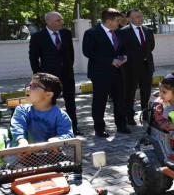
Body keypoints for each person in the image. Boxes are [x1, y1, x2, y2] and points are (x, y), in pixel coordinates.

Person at [28, 12, 81, 136]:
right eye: (58, 20)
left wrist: (68, 67)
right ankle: (51, 129)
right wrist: (38, 76)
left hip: (67, 74)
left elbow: (70, 54)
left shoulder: (66, 33)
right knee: (50, 102)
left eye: (61, 20)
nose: (61, 22)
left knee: (70, 102)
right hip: (48, 77)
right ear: (49, 22)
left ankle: (73, 127)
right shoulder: (38, 36)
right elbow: (33, 57)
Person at [82, 8, 130, 137]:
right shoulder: (91, 33)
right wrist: (110, 61)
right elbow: (88, 52)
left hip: (118, 72)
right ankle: (99, 128)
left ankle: (121, 125)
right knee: (100, 101)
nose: (120, 22)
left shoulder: (119, 33)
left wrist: (124, 56)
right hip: (100, 73)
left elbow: (124, 48)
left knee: (120, 100)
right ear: (108, 21)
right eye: (117, 20)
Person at [11, 73, 74, 146]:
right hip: (24, 153)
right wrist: (22, 141)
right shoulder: (21, 110)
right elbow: (17, 126)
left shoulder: (60, 115)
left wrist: (58, 139)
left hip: (53, 154)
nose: (28, 88)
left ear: (48, 95)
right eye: (29, 85)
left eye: (34, 86)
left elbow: (68, 134)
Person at [120, 9, 155, 124]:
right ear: (129, 19)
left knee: (146, 92)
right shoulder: (123, 32)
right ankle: (129, 117)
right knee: (129, 93)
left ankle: (146, 114)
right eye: (137, 17)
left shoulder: (148, 30)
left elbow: (151, 47)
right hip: (131, 68)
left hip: (146, 66)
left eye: (141, 15)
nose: (140, 18)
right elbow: (121, 49)